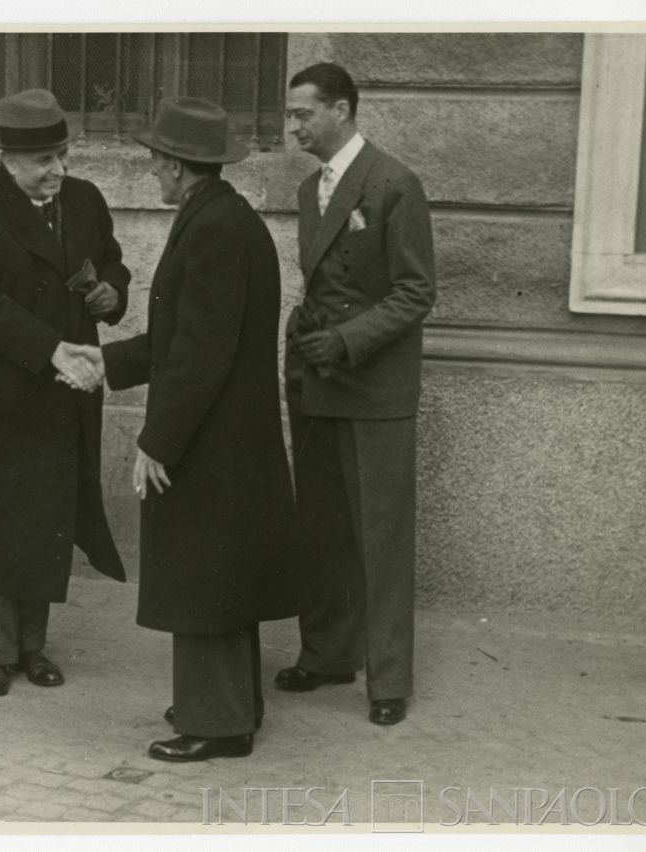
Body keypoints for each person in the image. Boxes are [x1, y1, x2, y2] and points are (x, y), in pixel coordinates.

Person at [94, 97, 301, 762]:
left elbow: (198, 354)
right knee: (222, 579)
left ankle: (217, 723)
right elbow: (184, 337)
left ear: (181, 166)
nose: (152, 170)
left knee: (205, 581)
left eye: (157, 159)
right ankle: (231, 707)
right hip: (229, 439)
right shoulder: (222, 217)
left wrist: (158, 441)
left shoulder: (213, 228)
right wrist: (107, 363)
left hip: (211, 442)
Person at [0, 89, 130, 697]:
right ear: (8, 160)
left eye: (62, 154)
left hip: (57, 386)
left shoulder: (84, 200)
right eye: (44, 160)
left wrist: (112, 292)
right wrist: (51, 349)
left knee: (44, 514)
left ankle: (33, 647)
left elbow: (111, 261)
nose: (59, 170)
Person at [277, 62, 436, 726]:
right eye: (289, 116)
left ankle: (389, 679)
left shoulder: (395, 183)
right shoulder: (313, 188)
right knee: (321, 528)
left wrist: (345, 340)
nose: (292, 127)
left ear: (340, 111)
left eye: (301, 114)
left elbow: (415, 291)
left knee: (381, 535)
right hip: (317, 382)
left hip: (373, 386)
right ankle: (327, 654)